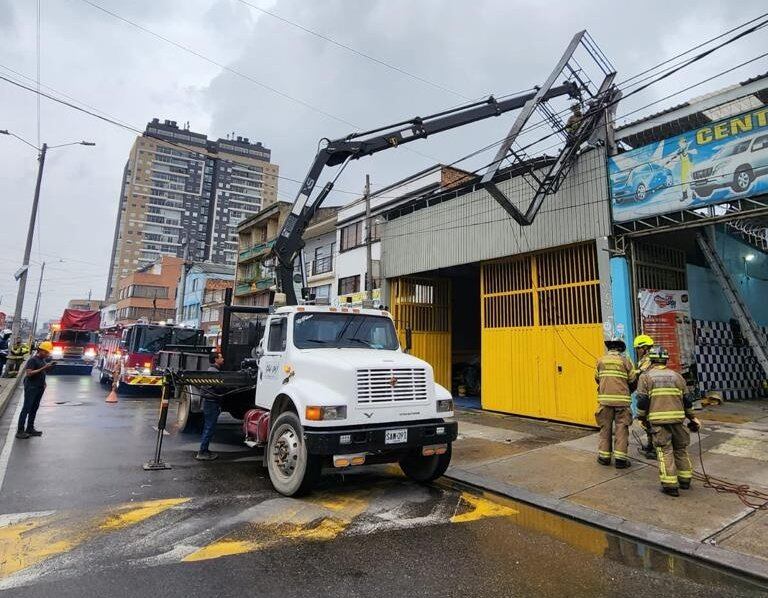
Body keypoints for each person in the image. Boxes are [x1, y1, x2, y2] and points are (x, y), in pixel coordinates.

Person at [636, 346, 701, 497]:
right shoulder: (677, 376)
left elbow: (642, 401)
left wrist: (641, 417)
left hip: (658, 421)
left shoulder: (645, 377)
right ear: (666, 359)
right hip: (678, 421)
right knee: (680, 450)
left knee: (665, 451)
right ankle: (685, 480)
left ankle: (670, 485)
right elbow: (687, 401)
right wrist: (692, 418)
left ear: (651, 360)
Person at [595, 337, 637, 468]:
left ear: (609, 348)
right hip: (622, 402)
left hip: (605, 401)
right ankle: (620, 460)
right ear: (620, 349)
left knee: (605, 428)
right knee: (621, 429)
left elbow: (597, 379)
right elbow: (633, 381)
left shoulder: (600, 361)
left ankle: (604, 457)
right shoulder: (626, 362)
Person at [17, 340, 56, 439]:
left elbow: (41, 373)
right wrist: (44, 368)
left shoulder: (42, 360)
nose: (47, 354)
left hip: (39, 387)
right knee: (27, 408)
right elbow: (29, 373)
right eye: (46, 352)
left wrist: (44, 381)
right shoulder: (32, 360)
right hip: (31, 386)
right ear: (41, 350)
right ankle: (20, 431)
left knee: (34, 408)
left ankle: (30, 428)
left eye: (48, 353)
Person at [196, 351, 225, 461]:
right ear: (215, 360)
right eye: (221, 357)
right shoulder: (214, 372)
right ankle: (202, 451)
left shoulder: (212, 370)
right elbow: (218, 387)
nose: (223, 359)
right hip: (211, 403)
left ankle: (205, 450)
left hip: (210, 402)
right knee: (209, 427)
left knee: (208, 427)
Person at [633, 334, 656, 459]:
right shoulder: (645, 358)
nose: (637, 351)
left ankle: (655, 447)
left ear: (645, 347)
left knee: (651, 421)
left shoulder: (650, 358)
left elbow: (642, 372)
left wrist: (631, 372)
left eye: (638, 348)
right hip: (647, 393)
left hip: (650, 395)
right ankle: (650, 444)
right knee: (647, 421)